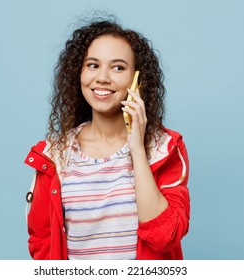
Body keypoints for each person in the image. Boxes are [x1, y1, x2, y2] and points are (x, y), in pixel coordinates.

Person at [24, 18, 190, 260]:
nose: (102, 78)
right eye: (92, 65)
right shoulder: (54, 154)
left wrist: (137, 148)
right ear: (78, 72)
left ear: (137, 80)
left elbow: (164, 236)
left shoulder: (163, 148)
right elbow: (42, 240)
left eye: (118, 68)